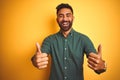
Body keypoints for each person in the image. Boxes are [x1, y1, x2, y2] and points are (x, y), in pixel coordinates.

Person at [31, 3, 106, 80]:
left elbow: (97, 62)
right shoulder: (49, 40)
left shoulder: (83, 39)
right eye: (61, 16)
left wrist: (102, 66)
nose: (65, 19)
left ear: (73, 18)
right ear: (57, 20)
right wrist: (35, 60)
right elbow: (40, 57)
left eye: (68, 15)